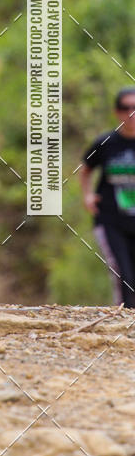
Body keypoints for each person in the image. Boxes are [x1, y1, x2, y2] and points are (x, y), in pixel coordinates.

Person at [80, 88, 135, 308]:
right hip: (111, 219)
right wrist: (87, 196)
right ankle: (125, 321)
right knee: (124, 275)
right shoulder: (106, 142)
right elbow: (85, 169)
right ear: (116, 112)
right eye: (125, 108)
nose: (131, 113)